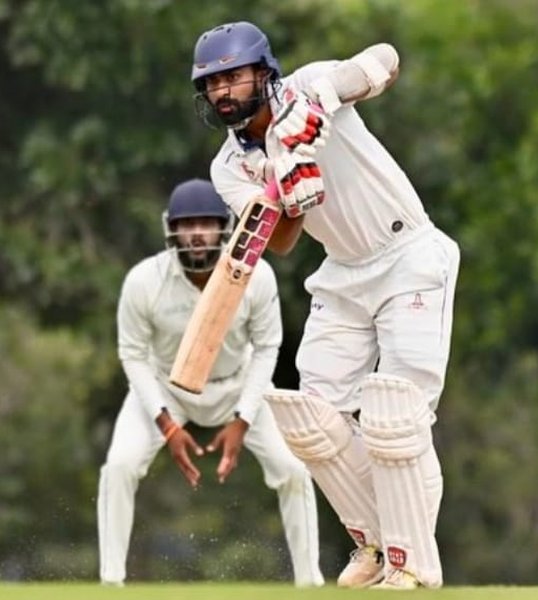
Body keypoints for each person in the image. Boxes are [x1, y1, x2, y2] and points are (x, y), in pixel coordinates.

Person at [189, 21, 460, 590]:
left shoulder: (310, 86)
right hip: (341, 274)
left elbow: (384, 60)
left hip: (408, 252)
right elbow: (280, 242)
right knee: (311, 419)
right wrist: (284, 184)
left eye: (233, 77)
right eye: (212, 84)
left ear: (264, 72)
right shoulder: (229, 167)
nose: (223, 92)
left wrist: (325, 104)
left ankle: (411, 563)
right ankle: (375, 541)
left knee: (397, 414)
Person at [97, 178, 324, 587]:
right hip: (167, 388)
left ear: (226, 227)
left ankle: (310, 584)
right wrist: (167, 426)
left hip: (238, 383)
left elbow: (267, 348)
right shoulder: (143, 281)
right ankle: (112, 582)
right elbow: (133, 355)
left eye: (206, 222)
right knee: (119, 466)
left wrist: (243, 420)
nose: (197, 232)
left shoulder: (258, 276)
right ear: (172, 228)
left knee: (293, 469)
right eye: (188, 224)